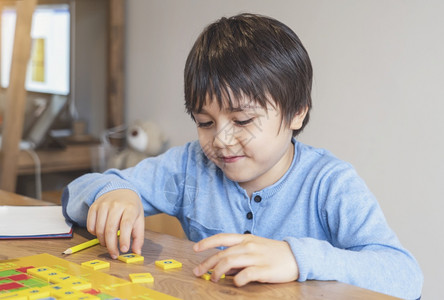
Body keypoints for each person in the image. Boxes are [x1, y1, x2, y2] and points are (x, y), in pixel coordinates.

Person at [62, 13, 423, 299]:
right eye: (204, 122)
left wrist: (297, 258)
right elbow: (76, 194)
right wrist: (112, 193)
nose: (221, 139)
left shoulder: (329, 182)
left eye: (243, 120)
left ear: (297, 112)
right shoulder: (192, 167)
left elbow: (405, 276)